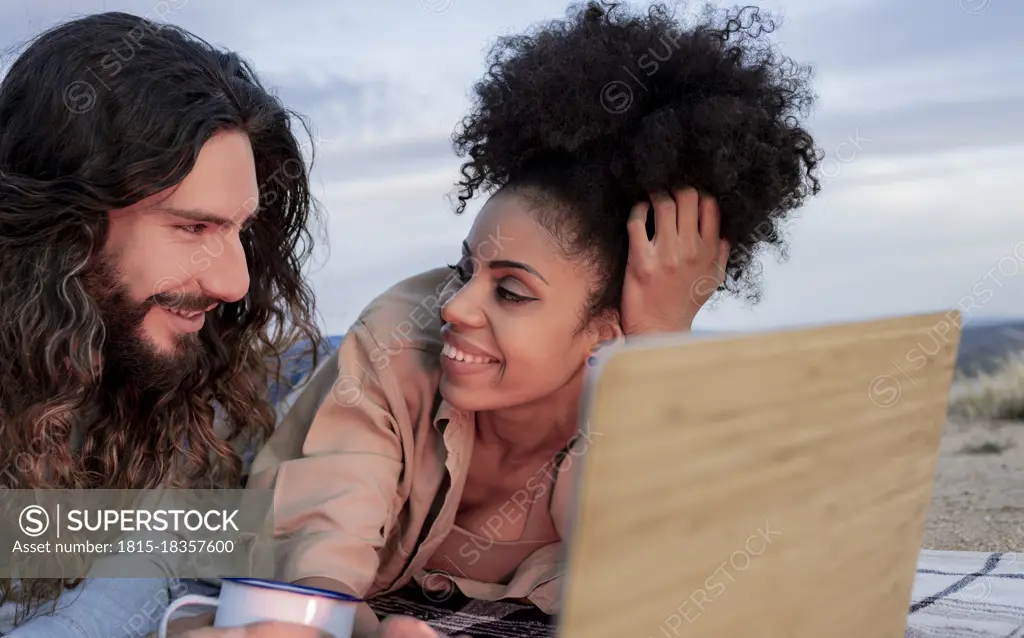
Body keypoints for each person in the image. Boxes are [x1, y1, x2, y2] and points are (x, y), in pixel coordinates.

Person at [243, 1, 821, 637]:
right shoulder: (401, 335)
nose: (457, 307)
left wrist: (658, 350)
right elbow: (325, 521)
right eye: (466, 270)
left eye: (512, 291)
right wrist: (340, 622)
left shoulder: (638, 396)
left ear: (609, 328)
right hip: (221, 466)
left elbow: (687, 580)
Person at [0, 11, 325, 638]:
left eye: (238, 230)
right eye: (192, 227)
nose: (234, 283)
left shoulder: (192, 385)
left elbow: (199, 539)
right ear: (64, 226)